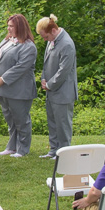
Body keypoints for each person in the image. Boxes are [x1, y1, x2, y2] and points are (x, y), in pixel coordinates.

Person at [0, 14, 38, 158]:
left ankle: (23, 149)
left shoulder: (29, 47)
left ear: (20, 27)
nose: (8, 28)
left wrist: (3, 78)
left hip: (19, 90)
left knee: (21, 120)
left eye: (11, 26)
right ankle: (11, 147)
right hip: (3, 89)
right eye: (8, 25)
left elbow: (21, 67)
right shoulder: (6, 41)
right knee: (10, 119)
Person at [37, 14, 78, 159]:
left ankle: (64, 152)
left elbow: (63, 71)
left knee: (63, 125)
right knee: (53, 122)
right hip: (51, 91)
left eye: (45, 36)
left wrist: (49, 84)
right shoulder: (51, 41)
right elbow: (46, 62)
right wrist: (43, 79)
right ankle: (53, 150)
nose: (44, 40)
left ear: (53, 31)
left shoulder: (67, 44)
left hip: (63, 92)